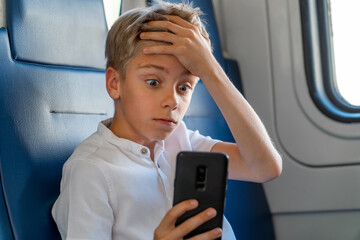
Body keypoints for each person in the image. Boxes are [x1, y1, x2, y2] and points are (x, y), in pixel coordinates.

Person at [52, 1, 282, 239]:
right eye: (153, 82)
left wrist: (210, 69)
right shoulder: (92, 171)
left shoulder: (181, 140)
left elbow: (265, 167)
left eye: (184, 87)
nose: (172, 101)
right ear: (114, 83)